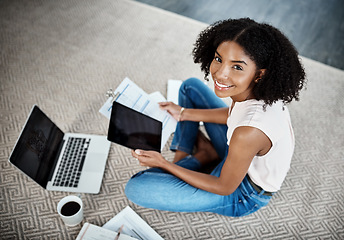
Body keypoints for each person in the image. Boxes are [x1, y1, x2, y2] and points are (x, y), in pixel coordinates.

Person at [125, 18, 306, 217]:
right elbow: (234, 116)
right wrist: (184, 113)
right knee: (190, 87)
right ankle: (198, 154)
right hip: (237, 153)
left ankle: (200, 157)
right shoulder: (255, 95)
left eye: (237, 67)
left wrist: (163, 164)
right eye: (219, 59)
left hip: (243, 192)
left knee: (136, 187)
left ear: (260, 75)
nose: (220, 74)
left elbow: (224, 187)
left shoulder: (250, 131)